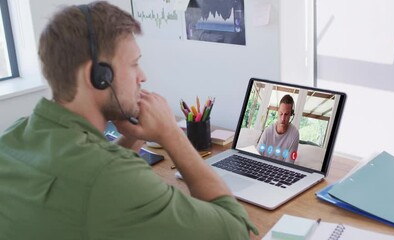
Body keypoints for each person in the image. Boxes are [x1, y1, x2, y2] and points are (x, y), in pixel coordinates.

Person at [0, 1, 257, 239]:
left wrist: (133, 135)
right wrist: (171, 134)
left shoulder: (13, 138)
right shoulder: (111, 179)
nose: (142, 76)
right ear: (99, 76)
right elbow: (235, 229)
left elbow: (85, 173)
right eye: (134, 64)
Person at [257, 94, 300, 162]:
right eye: (281, 113)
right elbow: (257, 156)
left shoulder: (294, 134)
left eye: (286, 114)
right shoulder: (267, 132)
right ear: (278, 111)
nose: (283, 119)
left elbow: (290, 163)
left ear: (291, 114)